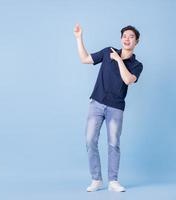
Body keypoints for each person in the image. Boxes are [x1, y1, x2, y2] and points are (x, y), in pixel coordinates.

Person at [74, 24, 143, 192]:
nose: (127, 38)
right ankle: (96, 179)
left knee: (113, 143)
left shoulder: (137, 65)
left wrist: (119, 60)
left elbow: (127, 80)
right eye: (124, 36)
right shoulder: (108, 51)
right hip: (96, 103)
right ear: (121, 39)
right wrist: (78, 38)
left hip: (116, 107)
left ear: (137, 41)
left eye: (131, 36)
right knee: (90, 140)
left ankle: (113, 181)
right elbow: (85, 59)